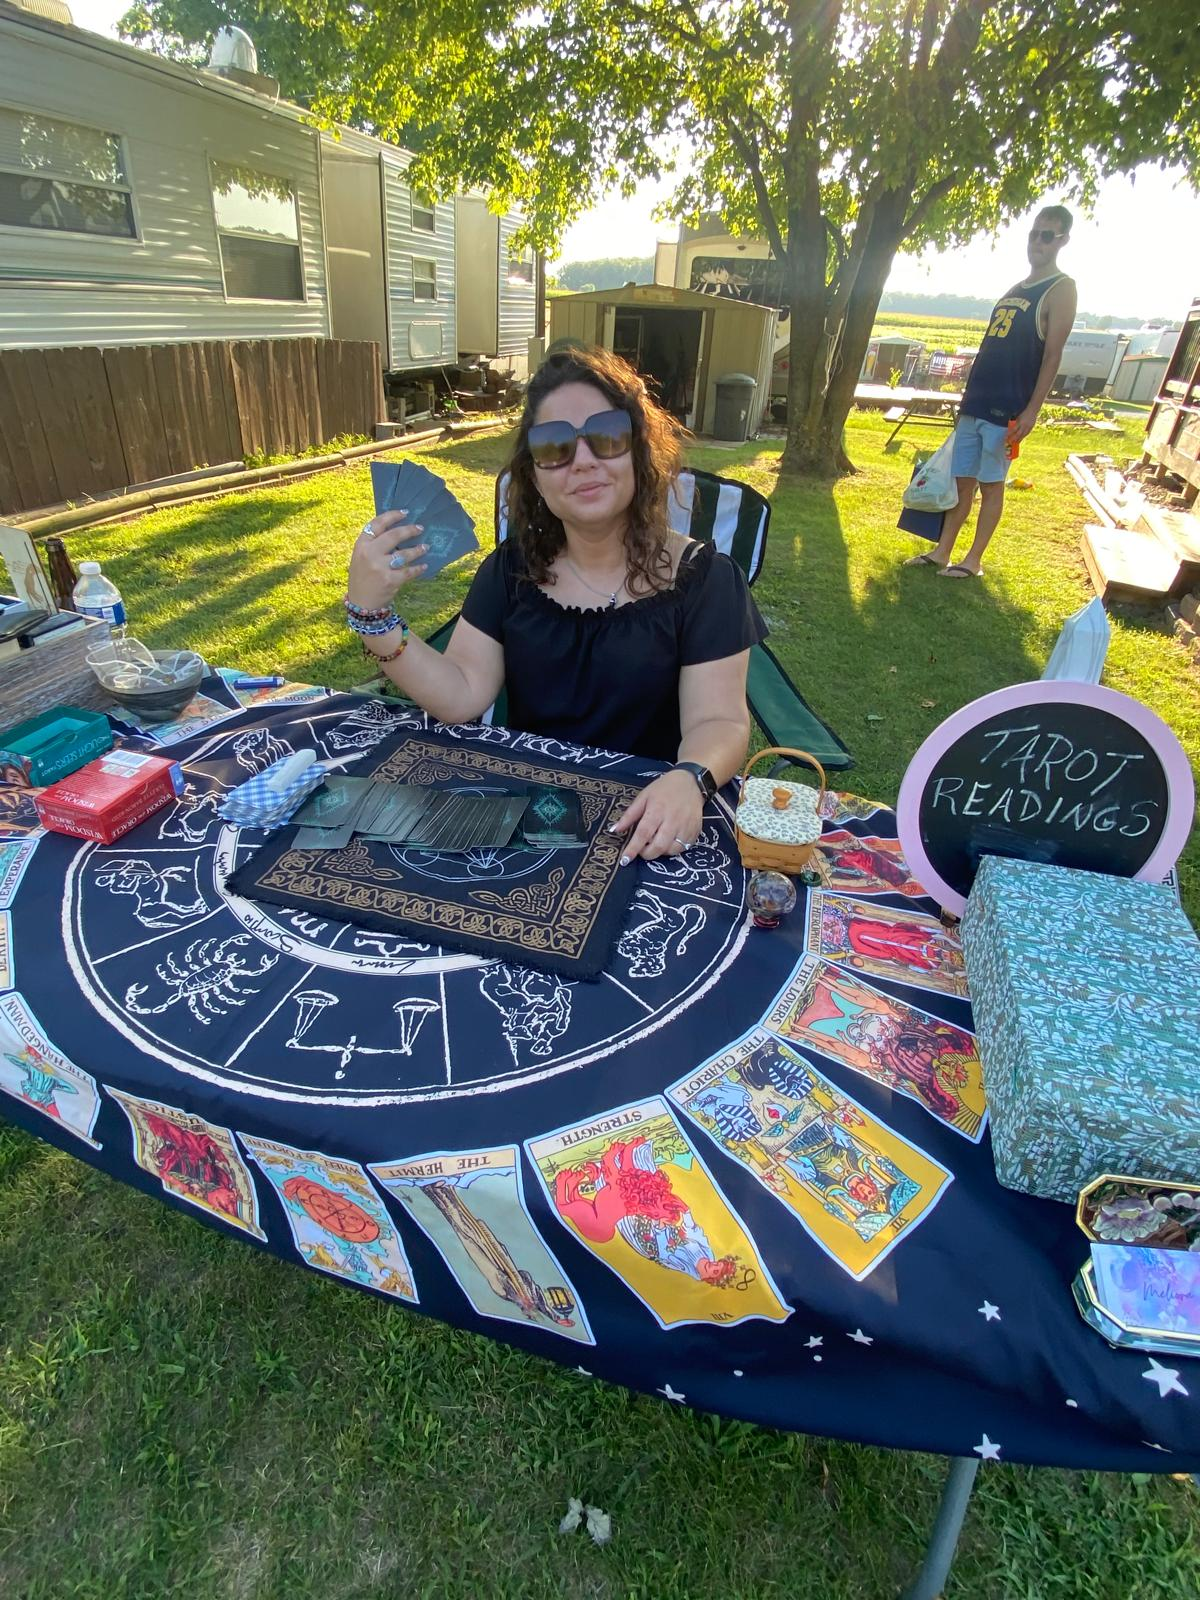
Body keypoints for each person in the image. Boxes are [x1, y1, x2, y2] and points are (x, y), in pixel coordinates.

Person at [344, 344, 767, 864]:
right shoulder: (512, 570)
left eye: (606, 436)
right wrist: (372, 616)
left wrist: (690, 778)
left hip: (647, 822)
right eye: (554, 446)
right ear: (536, 475)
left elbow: (720, 721)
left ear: (637, 450)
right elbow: (461, 697)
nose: (582, 461)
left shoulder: (704, 581)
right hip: (526, 824)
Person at [905, 204, 1078, 580]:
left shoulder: (1061, 289)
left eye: (1047, 236)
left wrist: (1032, 410)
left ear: (1062, 240)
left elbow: (1052, 356)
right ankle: (942, 552)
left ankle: (973, 560)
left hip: (1008, 408)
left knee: (991, 483)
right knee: (963, 482)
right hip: (976, 404)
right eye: (1034, 233)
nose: (1038, 242)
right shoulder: (1017, 288)